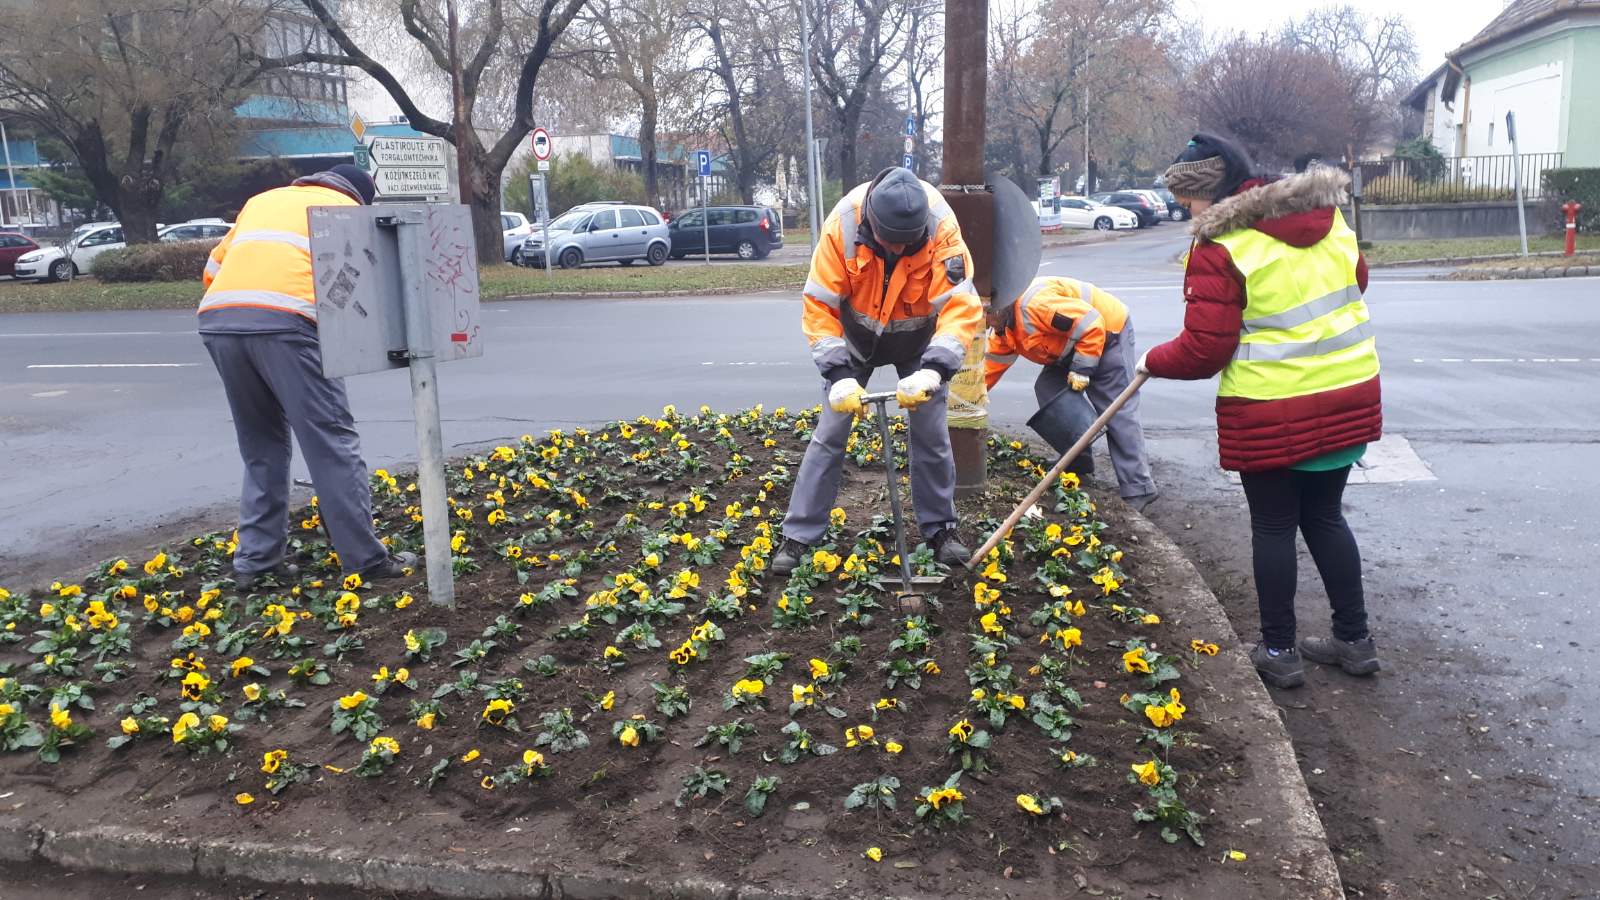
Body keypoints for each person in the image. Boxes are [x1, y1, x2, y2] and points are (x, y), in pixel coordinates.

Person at [1139, 133, 1383, 688]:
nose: (1184, 211)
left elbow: (1205, 350)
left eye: (1187, 200)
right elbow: (1357, 282)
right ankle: (1355, 639)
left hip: (1273, 408)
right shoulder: (1330, 220)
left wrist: (1151, 361)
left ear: (1211, 192)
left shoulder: (1222, 246)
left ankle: (1278, 649)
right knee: (1325, 516)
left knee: (1273, 524)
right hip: (1349, 392)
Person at [199, 165, 416, 590]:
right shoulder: (347, 210)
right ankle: (366, 560)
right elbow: (366, 285)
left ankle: (256, 564)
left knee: (262, 445)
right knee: (331, 442)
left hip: (219, 319)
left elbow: (212, 269)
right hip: (288, 323)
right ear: (360, 196)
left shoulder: (262, 201)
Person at [772, 166, 983, 575]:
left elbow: (960, 306)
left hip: (920, 339)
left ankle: (941, 529)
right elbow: (819, 304)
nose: (900, 252)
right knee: (830, 433)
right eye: (891, 243)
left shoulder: (941, 228)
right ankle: (798, 534)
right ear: (872, 222)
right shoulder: (843, 225)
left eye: (909, 246)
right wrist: (838, 376)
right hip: (856, 337)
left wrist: (934, 370)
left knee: (931, 433)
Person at [985, 275, 1157, 509]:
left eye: (985, 316)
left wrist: (1082, 369)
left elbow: (1092, 324)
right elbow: (989, 370)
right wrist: (965, 403)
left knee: (1115, 409)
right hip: (1071, 346)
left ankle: (1139, 488)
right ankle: (1078, 463)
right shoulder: (1004, 330)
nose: (984, 325)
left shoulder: (1034, 306)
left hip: (1108, 333)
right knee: (1049, 387)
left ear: (999, 307)